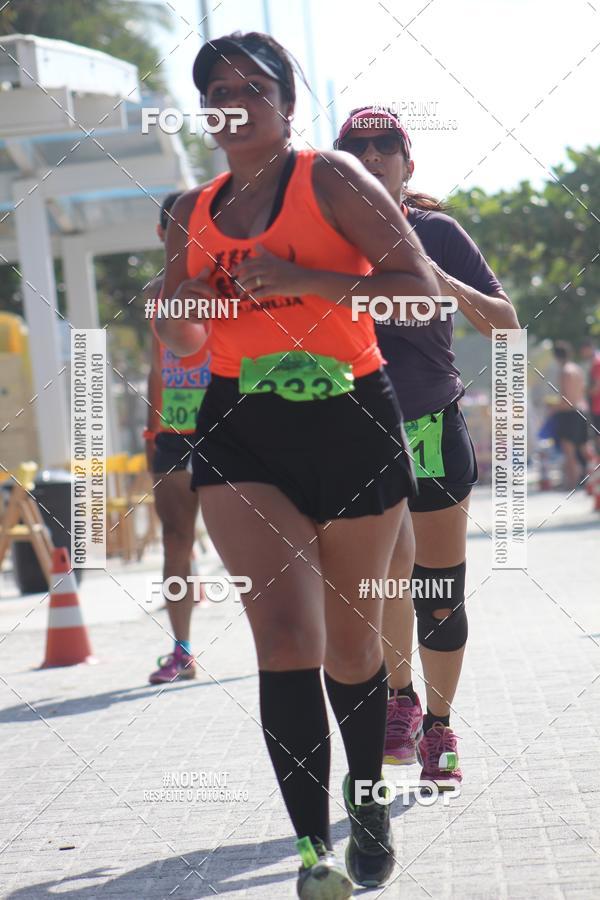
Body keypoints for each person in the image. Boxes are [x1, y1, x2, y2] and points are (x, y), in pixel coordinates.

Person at [155, 32, 437, 900]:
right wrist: (185, 305)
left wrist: (306, 280)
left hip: (350, 420)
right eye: (218, 91)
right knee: (284, 640)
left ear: (287, 100)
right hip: (242, 428)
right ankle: (315, 852)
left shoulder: (332, 180)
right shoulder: (186, 211)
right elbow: (179, 336)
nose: (236, 103)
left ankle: (370, 802)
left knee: (351, 650)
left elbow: (416, 288)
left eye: (254, 87)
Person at [334, 107, 519, 788]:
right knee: (380, 585)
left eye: (388, 145)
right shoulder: (322, 240)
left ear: (409, 164)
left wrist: (444, 283)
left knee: (437, 592)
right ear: (341, 166)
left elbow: (505, 322)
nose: (375, 154)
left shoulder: (436, 231)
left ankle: (440, 723)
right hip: (353, 430)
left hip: (430, 428)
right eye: (359, 146)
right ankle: (400, 699)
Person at [145, 192, 211, 684]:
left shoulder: (220, 284)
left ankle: (287, 640)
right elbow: (156, 366)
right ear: (161, 233)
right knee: (175, 540)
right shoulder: (154, 293)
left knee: (251, 544)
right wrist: (152, 427)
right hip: (172, 430)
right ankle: (182, 649)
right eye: (175, 227)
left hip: (226, 423)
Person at [551, 340, 589, 488]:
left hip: (569, 413)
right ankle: (590, 481)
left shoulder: (565, 372)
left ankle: (572, 484)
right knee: (584, 449)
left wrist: (552, 406)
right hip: (582, 411)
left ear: (556, 357)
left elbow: (567, 399)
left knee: (569, 451)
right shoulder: (577, 369)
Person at [579, 337, 600, 453]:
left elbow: (596, 388)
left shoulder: (597, 363)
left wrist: (579, 392)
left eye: (583, 351)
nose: (582, 354)